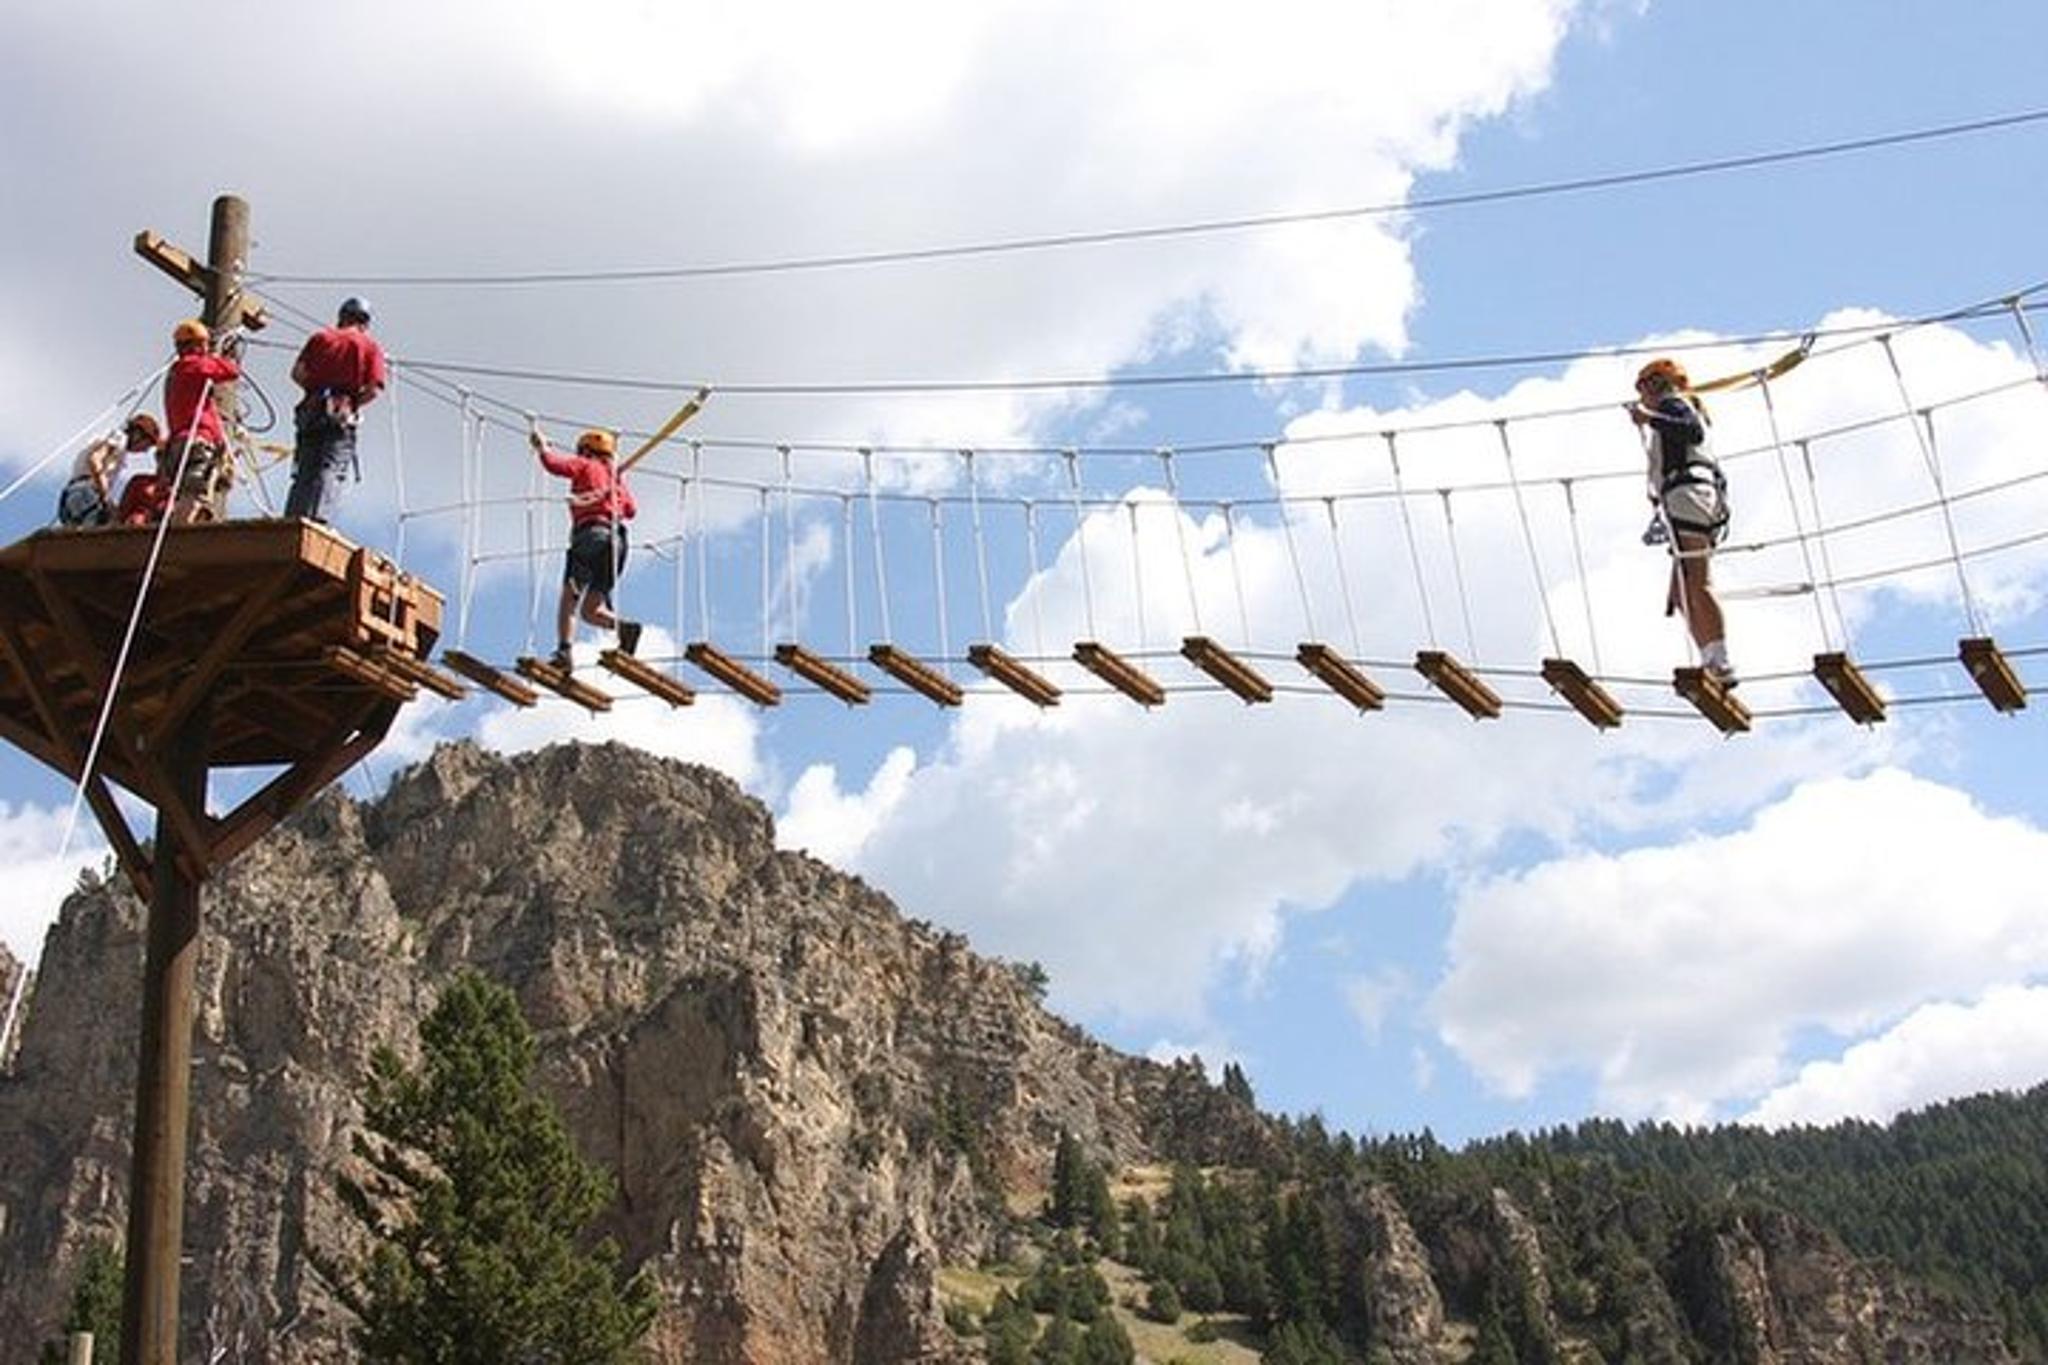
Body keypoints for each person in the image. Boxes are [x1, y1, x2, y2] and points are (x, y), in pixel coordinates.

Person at [1632, 357, 1735, 685]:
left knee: (1697, 580)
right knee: (1681, 592)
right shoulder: (1674, 408)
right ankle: (1710, 657)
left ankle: (1721, 660)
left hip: (1689, 496)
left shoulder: (1673, 405)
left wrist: (1649, 418)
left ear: (1655, 384)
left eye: (1642, 387)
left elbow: (1690, 431)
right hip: (1689, 497)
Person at [531, 423, 643, 671]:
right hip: (618, 543)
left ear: (586, 450)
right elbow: (631, 511)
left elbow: (554, 465)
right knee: (591, 610)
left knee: (569, 598)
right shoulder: (615, 479)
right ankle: (624, 628)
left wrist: (543, 447)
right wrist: (615, 485)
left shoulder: (585, 464)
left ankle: (564, 651)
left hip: (590, 536)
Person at [286, 296, 387, 523]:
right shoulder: (369, 346)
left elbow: (297, 373)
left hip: (311, 409)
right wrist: (353, 404)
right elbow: (373, 390)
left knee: (306, 467)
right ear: (365, 322)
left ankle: (292, 519)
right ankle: (318, 519)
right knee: (331, 467)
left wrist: (314, 391)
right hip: (341, 411)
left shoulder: (320, 338)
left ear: (342, 317)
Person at [163, 317, 241, 523]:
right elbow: (231, 371)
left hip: (179, 442)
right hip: (197, 440)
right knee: (194, 494)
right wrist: (224, 355)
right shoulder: (194, 364)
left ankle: (181, 526)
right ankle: (180, 533)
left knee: (188, 494)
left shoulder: (176, 372)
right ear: (197, 345)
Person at [57, 414, 160, 527]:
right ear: (138, 435)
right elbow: (95, 459)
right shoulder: (119, 438)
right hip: (86, 491)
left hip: (73, 492)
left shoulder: (117, 446)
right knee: (94, 532)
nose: (144, 451)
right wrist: (105, 494)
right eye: (147, 445)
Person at [114, 439, 177, 526]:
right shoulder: (139, 481)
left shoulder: (178, 487)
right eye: (159, 456)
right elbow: (123, 512)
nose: (162, 461)